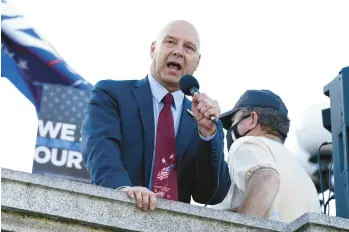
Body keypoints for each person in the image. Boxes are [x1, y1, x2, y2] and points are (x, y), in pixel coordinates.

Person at [80, 20, 231, 211]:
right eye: (170, 42)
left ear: (197, 61)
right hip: (119, 213)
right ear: (153, 49)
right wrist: (123, 189)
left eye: (189, 47)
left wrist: (209, 135)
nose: (178, 51)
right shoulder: (111, 94)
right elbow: (100, 147)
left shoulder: (203, 119)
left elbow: (209, 194)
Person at [212, 89, 321, 223]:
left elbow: (267, 178)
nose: (230, 130)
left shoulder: (246, 144)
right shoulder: (301, 171)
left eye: (234, 122)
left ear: (252, 120)